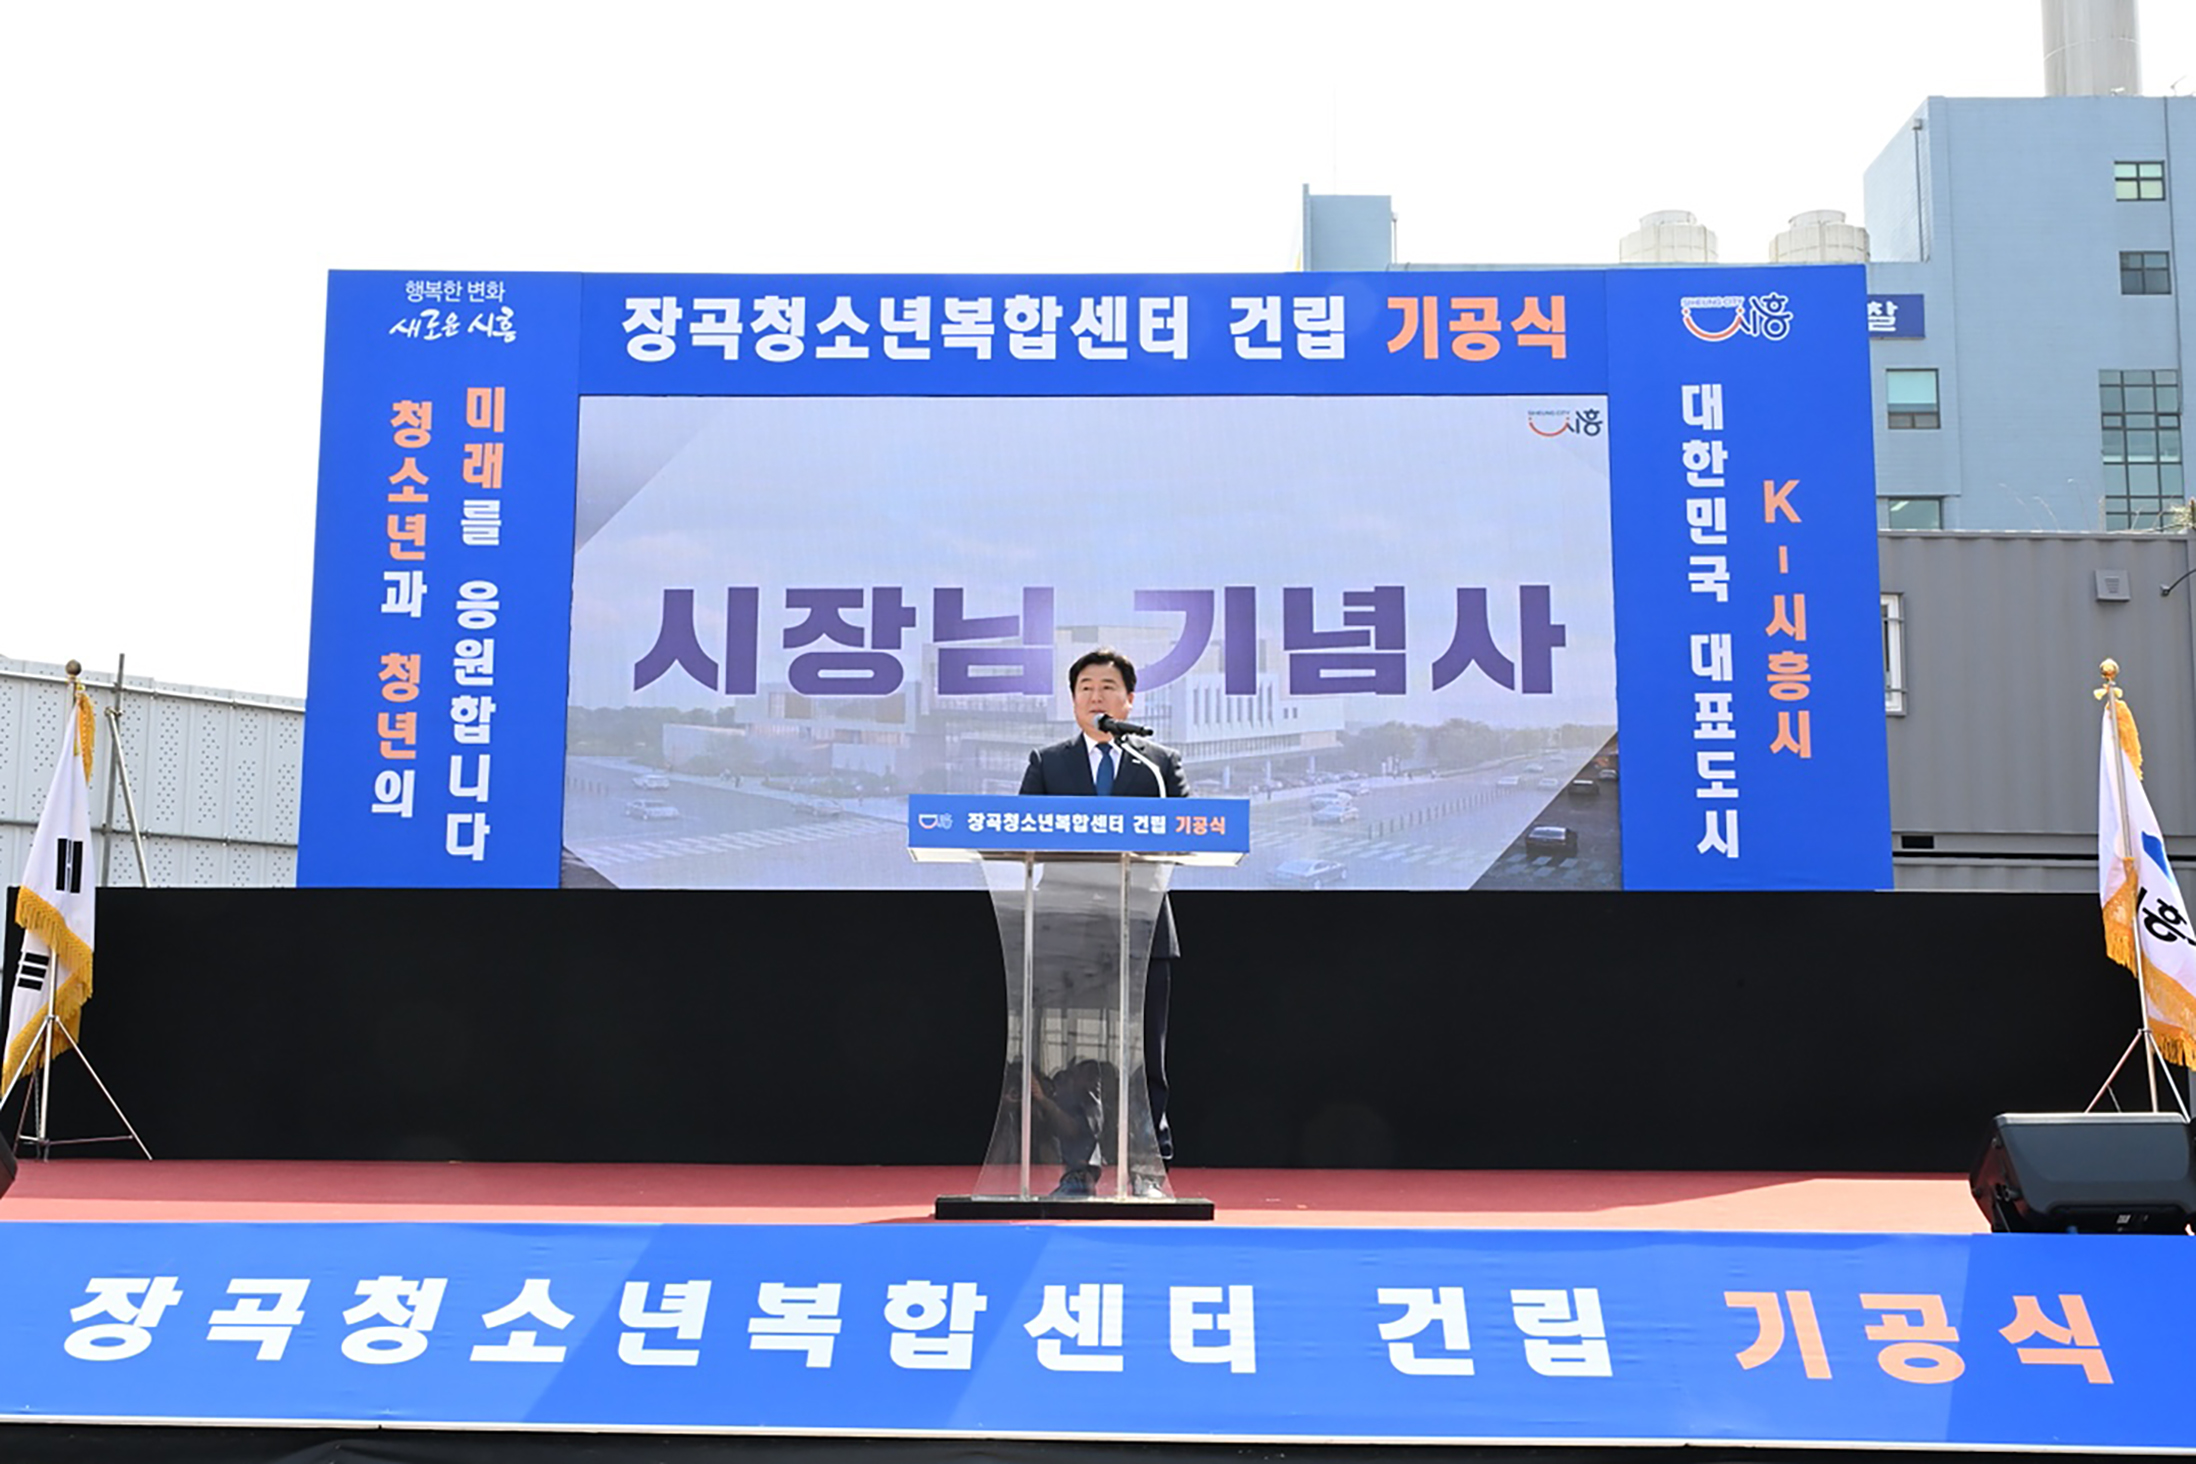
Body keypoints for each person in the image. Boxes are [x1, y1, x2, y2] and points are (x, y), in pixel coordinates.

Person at [1019, 648, 1186, 1196]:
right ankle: (1078, 1169)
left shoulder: (1157, 765)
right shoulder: (1048, 763)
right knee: (1075, 1058)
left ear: (1129, 700)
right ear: (1073, 701)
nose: (1096, 696)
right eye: (1086, 687)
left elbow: (1187, 833)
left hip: (1143, 927)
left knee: (1144, 1056)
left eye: (1108, 687)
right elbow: (1022, 834)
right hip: (1072, 930)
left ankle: (1147, 1170)